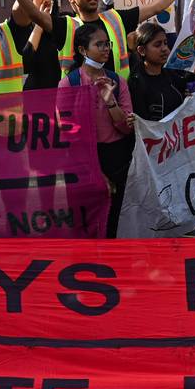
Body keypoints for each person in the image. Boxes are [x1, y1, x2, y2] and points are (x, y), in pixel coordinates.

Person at [27, 0, 190, 80]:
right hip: (81, 107)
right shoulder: (65, 25)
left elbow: (158, 6)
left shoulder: (116, 18)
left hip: (120, 106)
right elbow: (33, 13)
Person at [60, 23, 135, 238]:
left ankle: (111, 266)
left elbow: (126, 128)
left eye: (107, 44)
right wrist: (95, 171)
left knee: (113, 221)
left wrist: (110, 102)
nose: (105, 49)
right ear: (83, 50)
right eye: (99, 44)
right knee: (83, 222)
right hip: (81, 160)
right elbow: (67, 132)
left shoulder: (118, 82)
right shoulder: (69, 84)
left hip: (114, 158)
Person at [128, 22, 193, 122]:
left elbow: (186, 83)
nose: (164, 49)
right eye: (157, 45)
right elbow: (143, 125)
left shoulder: (170, 74)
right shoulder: (136, 83)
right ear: (141, 50)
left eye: (165, 43)